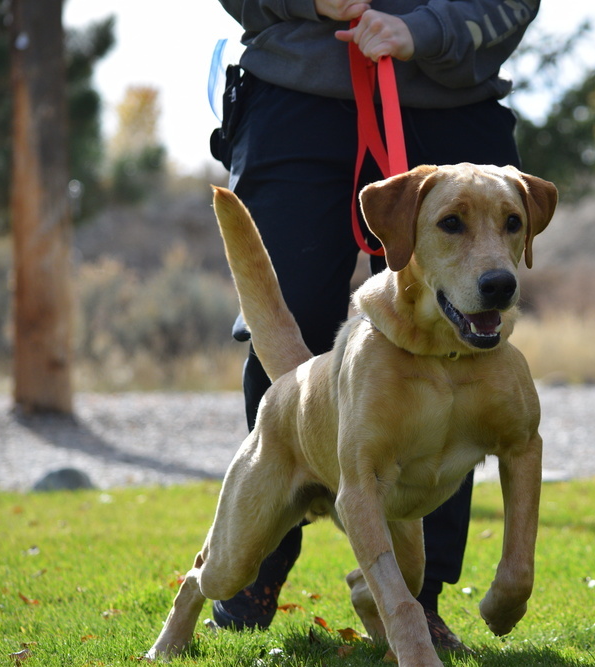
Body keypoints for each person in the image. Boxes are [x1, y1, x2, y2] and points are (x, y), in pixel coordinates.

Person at [211, 0, 541, 651]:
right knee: (293, 316)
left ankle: (421, 593)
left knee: (461, 340)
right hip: (297, 96)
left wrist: (424, 31)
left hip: (451, 98)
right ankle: (254, 565)